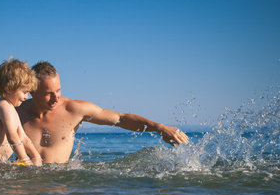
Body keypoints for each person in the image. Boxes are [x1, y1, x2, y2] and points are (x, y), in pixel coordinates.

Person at [17, 61, 189, 163]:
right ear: (32, 91)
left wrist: (160, 127)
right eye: (48, 93)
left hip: (58, 185)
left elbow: (120, 119)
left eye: (58, 90)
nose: (56, 98)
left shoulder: (73, 109)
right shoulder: (16, 112)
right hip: (25, 184)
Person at [0, 59, 42, 166]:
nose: (26, 97)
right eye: (24, 92)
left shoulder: (11, 109)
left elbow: (23, 137)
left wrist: (36, 156)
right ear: (9, 89)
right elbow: (13, 137)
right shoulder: (4, 107)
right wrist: (25, 160)